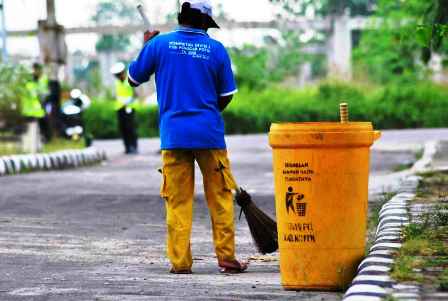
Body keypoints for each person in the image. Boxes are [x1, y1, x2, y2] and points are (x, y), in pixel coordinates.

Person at [128, 0, 247, 274]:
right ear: (205, 23)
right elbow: (227, 94)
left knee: (178, 200)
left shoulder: (159, 45)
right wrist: (206, 114)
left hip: (173, 136)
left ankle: (180, 263)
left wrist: (145, 45)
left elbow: (133, 79)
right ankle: (227, 259)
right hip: (210, 136)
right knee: (220, 196)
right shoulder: (216, 49)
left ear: (181, 17)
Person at [110, 62, 139, 154]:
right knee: (123, 128)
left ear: (123, 72)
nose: (118, 76)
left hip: (129, 108)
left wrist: (129, 101)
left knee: (130, 128)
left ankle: (133, 147)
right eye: (116, 75)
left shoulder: (129, 80)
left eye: (119, 74)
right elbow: (115, 95)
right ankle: (127, 147)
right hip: (120, 108)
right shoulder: (116, 83)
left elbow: (135, 94)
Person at [21, 63, 48, 153]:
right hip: (30, 112)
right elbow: (36, 95)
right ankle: (29, 150)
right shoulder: (29, 83)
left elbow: (43, 93)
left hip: (37, 111)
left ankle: (36, 149)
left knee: (37, 132)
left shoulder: (40, 81)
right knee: (30, 132)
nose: (40, 72)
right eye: (38, 70)